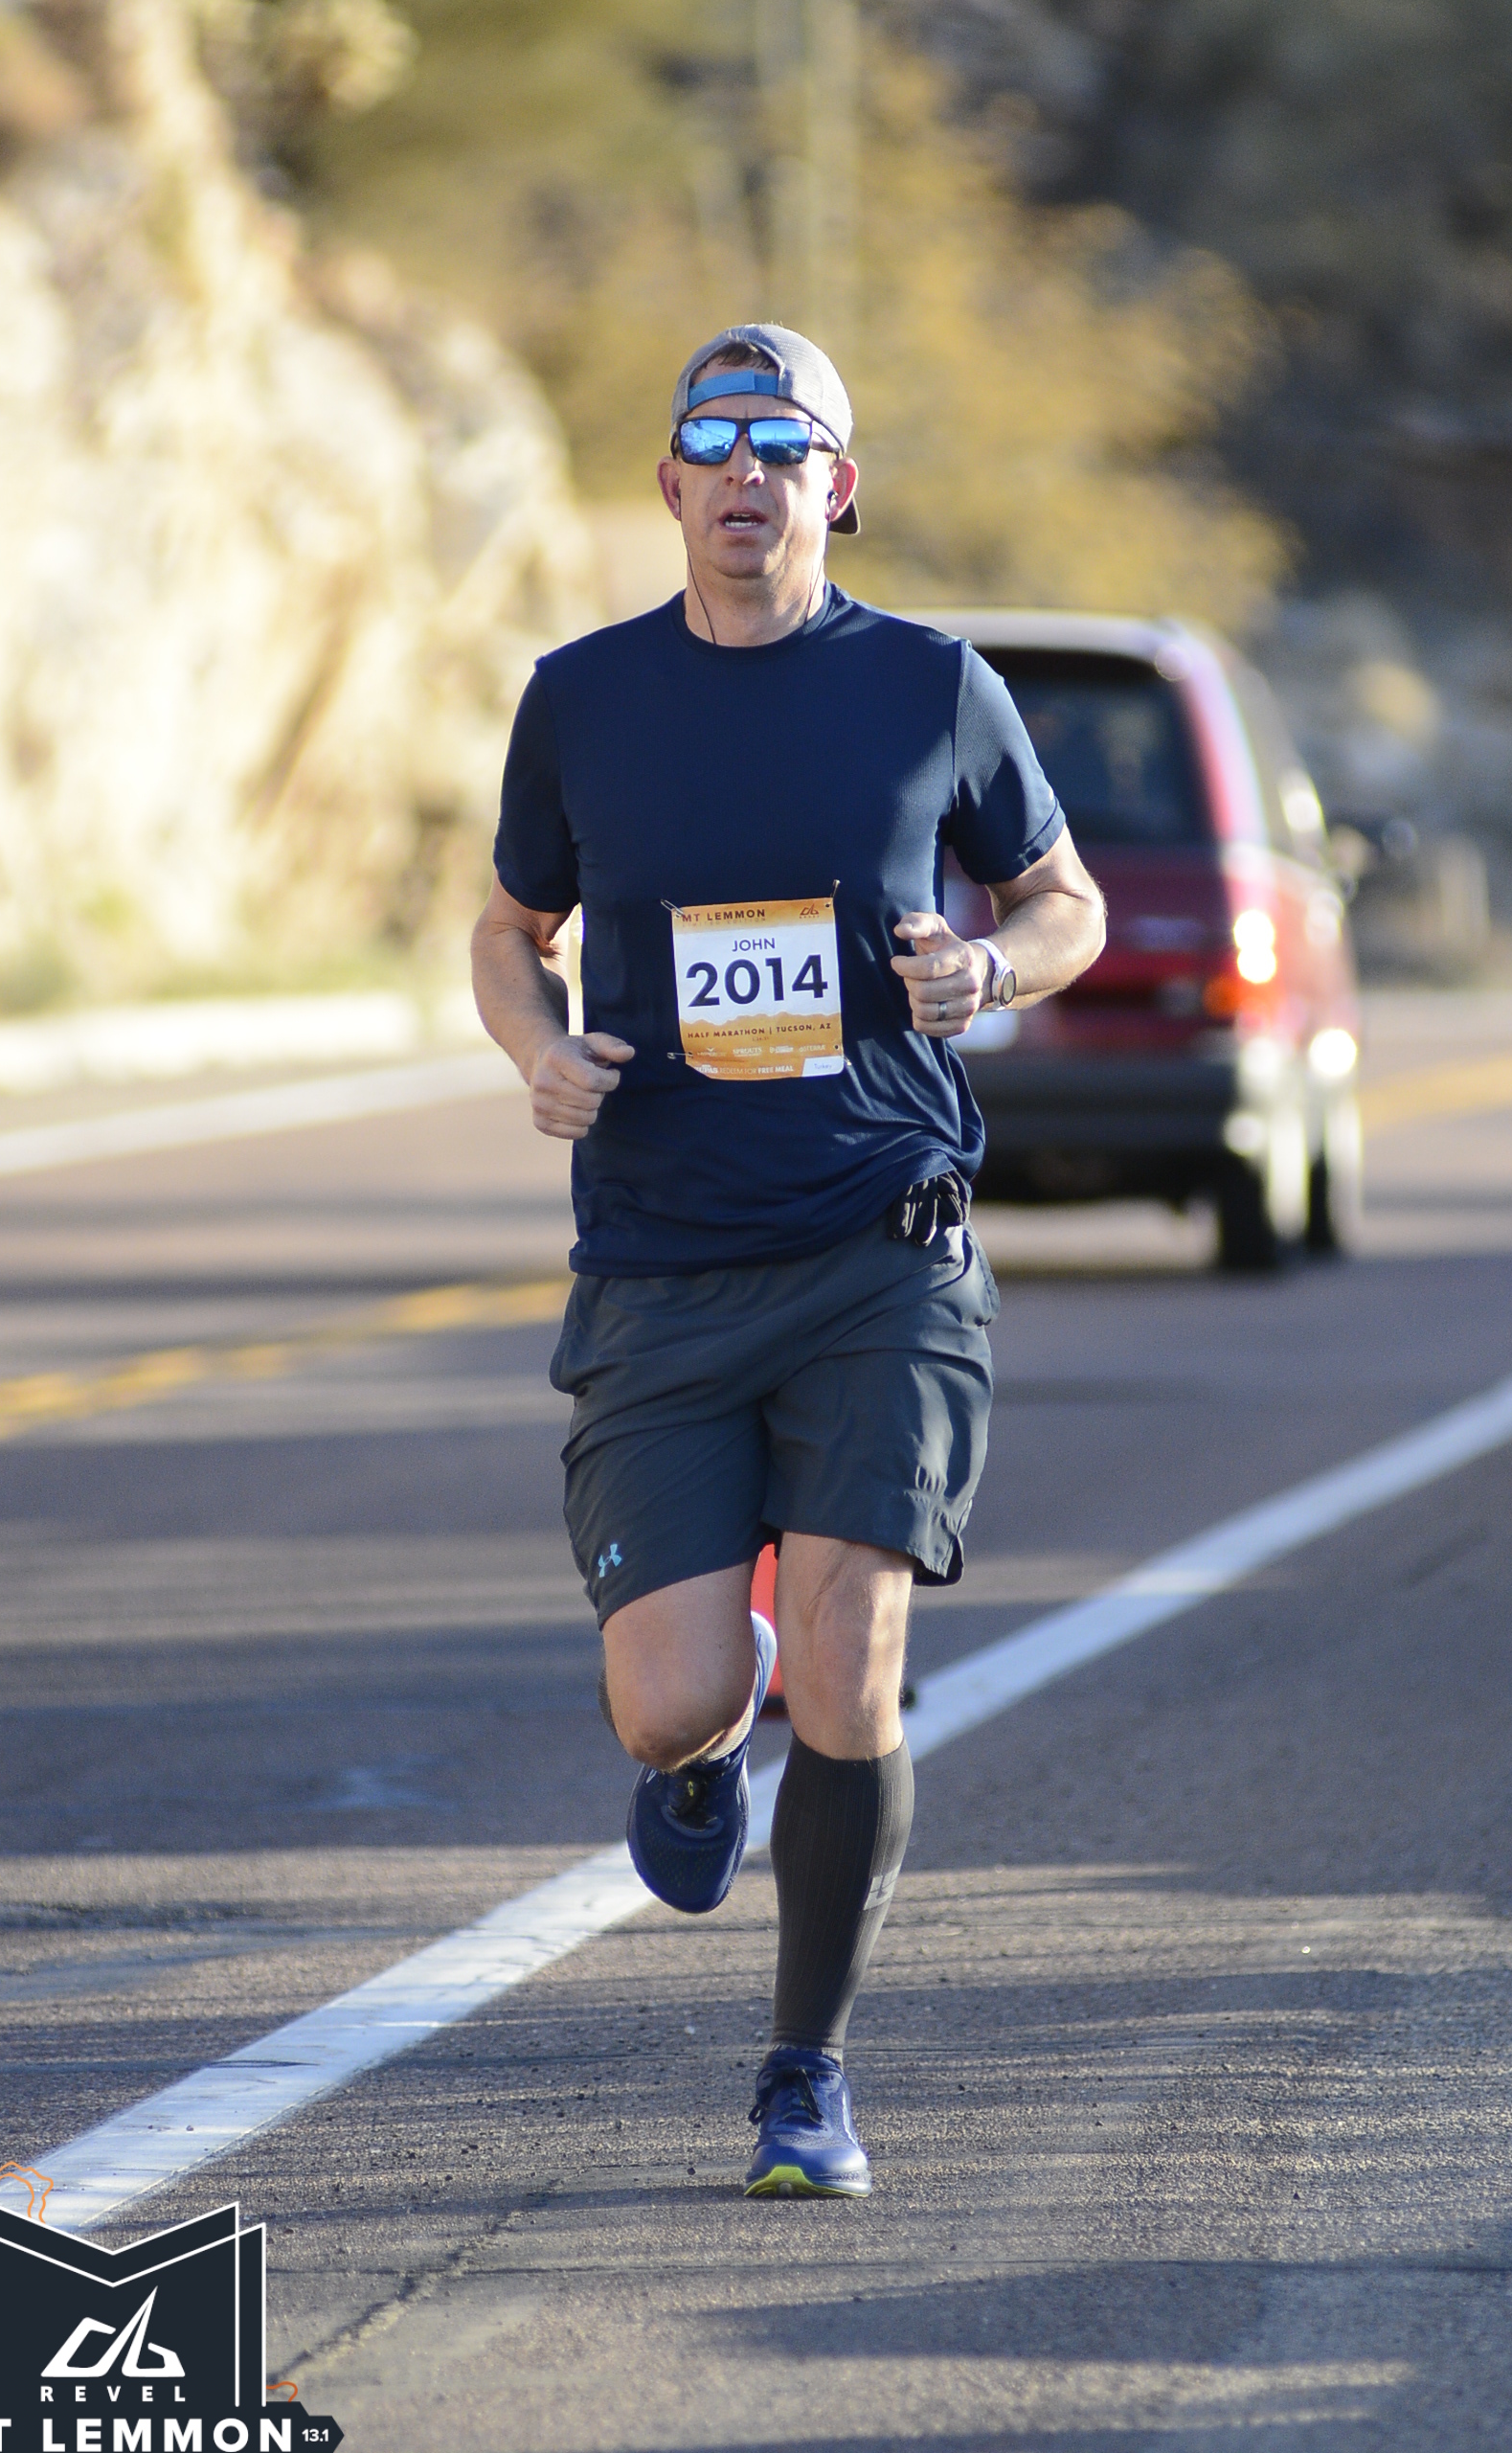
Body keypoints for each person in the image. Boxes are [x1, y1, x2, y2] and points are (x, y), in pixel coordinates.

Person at [470, 324, 1104, 2196]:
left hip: (879, 1245)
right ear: (669, 484)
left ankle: (804, 2074)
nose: (746, 471)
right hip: (659, 1258)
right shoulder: (581, 699)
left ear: (839, 483)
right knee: (674, 1695)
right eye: (713, 440)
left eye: (783, 440)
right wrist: (535, 1048)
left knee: (855, 1665)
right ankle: (697, 1741)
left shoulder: (931, 686)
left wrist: (992, 968)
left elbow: (1061, 899)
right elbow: (508, 928)